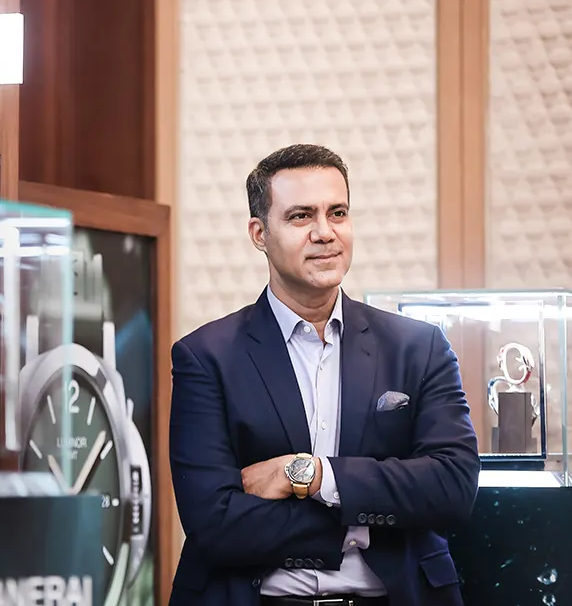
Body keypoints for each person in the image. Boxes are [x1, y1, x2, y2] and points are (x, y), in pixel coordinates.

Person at [169, 144, 480, 606]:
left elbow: (453, 487)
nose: (325, 233)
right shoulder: (205, 356)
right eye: (301, 216)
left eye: (337, 213)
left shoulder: (418, 346)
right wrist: (363, 521)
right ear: (259, 233)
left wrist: (314, 476)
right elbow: (213, 522)